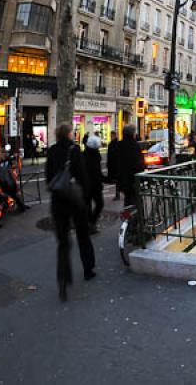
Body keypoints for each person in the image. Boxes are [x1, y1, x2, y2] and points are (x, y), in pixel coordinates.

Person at [45, 124, 95, 301]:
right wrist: (86, 198)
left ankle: (63, 280)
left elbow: (48, 178)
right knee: (83, 235)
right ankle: (88, 269)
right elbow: (83, 177)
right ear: (68, 134)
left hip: (58, 202)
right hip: (75, 201)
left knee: (63, 243)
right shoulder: (75, 150)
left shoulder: (51, 151)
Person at [116, 124, 145, 207]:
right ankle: (135, 218)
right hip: (133, 179)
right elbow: (138, 163)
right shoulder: (134, 145)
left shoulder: (119, 145)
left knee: (128, 199)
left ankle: (128, 216)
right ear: (132, 134)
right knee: (136, 201)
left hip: (122, 179)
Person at [83, 134, 105, 234]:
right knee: (99, 204)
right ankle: (91, 223)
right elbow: (97, 172)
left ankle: (89, 224)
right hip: (94, 185)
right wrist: (105, 180)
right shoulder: (95, 155)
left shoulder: (83, 154)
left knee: (87, 205)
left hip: (85, 185)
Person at [107, 131, 120, 201]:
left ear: (114, 136)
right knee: (117, 180)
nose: (110, 137)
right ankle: (117, 194)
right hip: (113, 165)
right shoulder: (111, 144)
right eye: (110, 136)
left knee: (118, 181)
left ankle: (117, 195)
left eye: (111, 136)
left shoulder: (117, 144)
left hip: (116, 165)